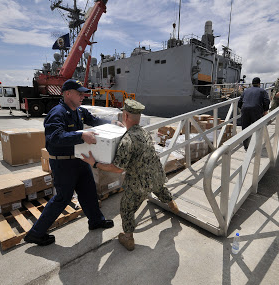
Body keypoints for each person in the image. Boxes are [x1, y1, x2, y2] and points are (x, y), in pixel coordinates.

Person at [24, 79, 118, 246]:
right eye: (79, 93)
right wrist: (81, 136)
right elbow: (54, 138)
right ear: (68, 93)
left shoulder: (79, 111)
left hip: (80, 160)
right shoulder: (57, 113)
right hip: (63, 164)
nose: (83, 96)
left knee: (89, 192)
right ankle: (36, 233)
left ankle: (96, 221)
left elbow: (94, 120)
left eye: (83, 93)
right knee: (62, 198)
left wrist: (111, 123)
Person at [82, 99, 179, 251]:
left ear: (125, 116)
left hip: (139, 183)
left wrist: (94, 163)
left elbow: (117, 168)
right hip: (157, 174)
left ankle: (128, 238)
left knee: (126, 208)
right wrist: (124, 129)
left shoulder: (127, 140)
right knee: (160, 189)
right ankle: (173, 206)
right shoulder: (144, 132)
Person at [238, 77, 270, 150]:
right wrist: (265, 110)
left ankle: (246, 146)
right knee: (257, 127)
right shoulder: (262, 91)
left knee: (245, 128)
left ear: (252, 83)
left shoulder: (246, 91)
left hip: (245, 109)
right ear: (259, 84)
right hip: (256, 110)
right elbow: (266, 101)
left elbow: (240, 102)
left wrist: (242, 109)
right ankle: (256, 146)